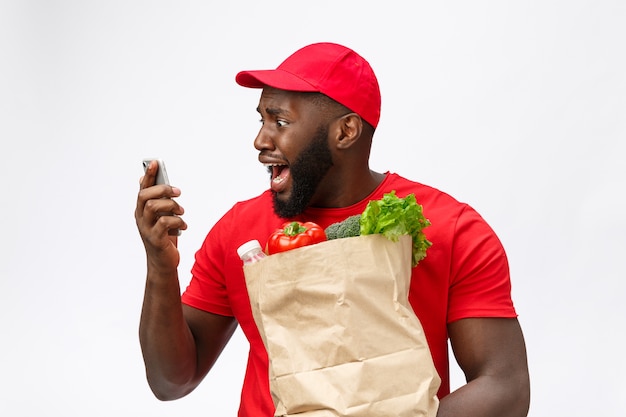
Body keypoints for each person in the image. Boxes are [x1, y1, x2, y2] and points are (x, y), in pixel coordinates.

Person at [135, 42, 530, 417]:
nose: (260, 140)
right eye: (262, 119)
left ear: (345, 132)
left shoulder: (451, 228)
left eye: (281, 121)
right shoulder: (238, 231)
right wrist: (160, 266)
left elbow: (505, 386)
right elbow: (172, 381)